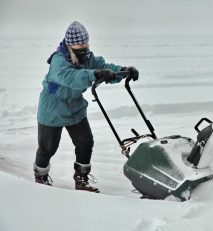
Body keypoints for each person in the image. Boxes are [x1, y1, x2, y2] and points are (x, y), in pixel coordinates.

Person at [33, 21, 138, 193]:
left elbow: (104, 67)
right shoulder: (59, 61)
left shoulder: (88, 58)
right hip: (52, 109)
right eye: (79, 44)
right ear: (69, 44)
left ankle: (81, 179)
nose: (83, 47)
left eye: (85, 43)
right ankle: (40, 177)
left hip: (75, 108)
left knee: (85, 143)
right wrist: (94, 74)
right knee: (48, 148)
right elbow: (70, 77)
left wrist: (123, 70)